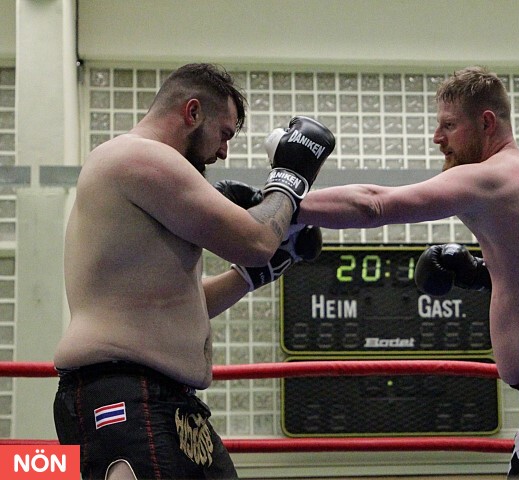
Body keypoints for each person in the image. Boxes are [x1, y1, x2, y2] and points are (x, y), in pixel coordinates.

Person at [298, 66, 519, 477]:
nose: (436, 138)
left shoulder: (488, 178)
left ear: (486, 122)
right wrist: (479, 273)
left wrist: (280, 201)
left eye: (448, 125)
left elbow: (374, 204)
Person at [52, 63, 335, 479]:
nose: (223, 152)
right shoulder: (137, 156)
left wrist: (253, 275)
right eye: (225, 134)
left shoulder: (145, 174)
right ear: (192, 112)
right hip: (123, 393)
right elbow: (255, 241)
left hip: (168, 400)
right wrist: (290, 178)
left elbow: (185, 301)